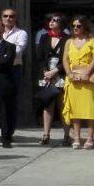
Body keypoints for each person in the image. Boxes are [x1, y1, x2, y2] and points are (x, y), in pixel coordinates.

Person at [62, 18, 94, 150]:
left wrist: (87, 73)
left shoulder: (93, 41)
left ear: (85, 26)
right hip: (73, 78)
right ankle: (76, 138)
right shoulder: (69, 42)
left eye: (78, 25)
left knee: (90, 108)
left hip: (88, 78)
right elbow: (65, 60)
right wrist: (69, 73)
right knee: (75, 110)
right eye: (73, 26)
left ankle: (90, 139)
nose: (76, 28)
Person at [33, 14, 66, 146]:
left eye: (55, 20)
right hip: (46, 75)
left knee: (63, 105)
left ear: (61, 23)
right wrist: (45, 72)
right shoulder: (44, 37)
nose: (52, 22)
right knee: (47, 104)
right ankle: (46, 134)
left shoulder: (67, 39)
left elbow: (67, 59)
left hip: (61, 74)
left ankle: (67, 135)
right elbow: (39, 57)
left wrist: (55, 71)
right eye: (51, 20)